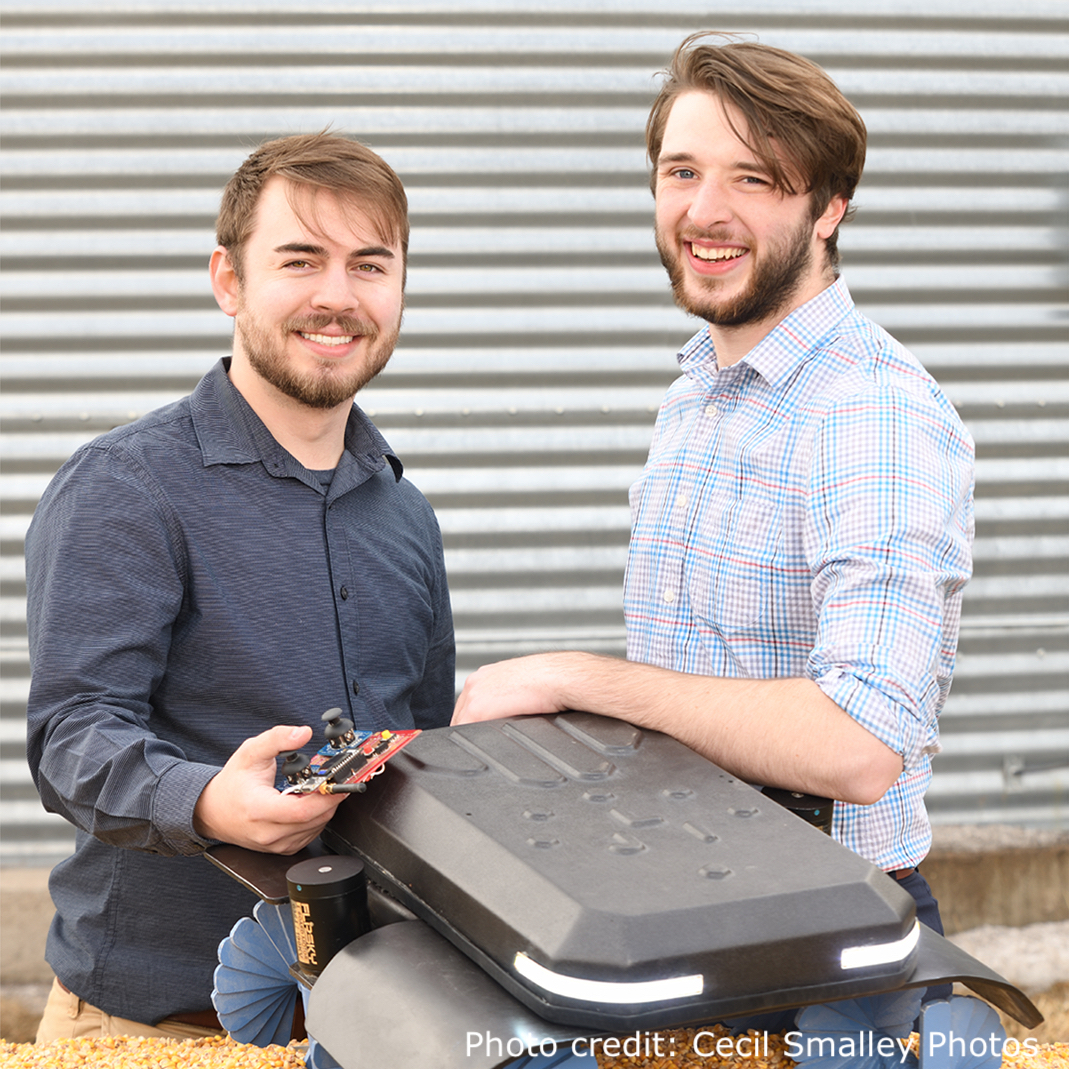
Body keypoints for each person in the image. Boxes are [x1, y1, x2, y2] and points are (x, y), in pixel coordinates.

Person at [454, 34, 973, 941]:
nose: (704, 210)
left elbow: (855, 746)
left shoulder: (871, 416)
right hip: (684, 888)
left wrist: (574, 678)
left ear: (828, 209)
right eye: (681, 171)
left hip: (822, 920)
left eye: (753, 180)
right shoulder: (701, 384)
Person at [25, 132, 455, 1041]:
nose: (336, 296)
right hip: (156, 1030)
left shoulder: (405, 516)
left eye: (369, 265)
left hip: (366, 1026)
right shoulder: (126, 487)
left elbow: (423, 747)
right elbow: (73, 737)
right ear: (228, 279)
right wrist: (211, 800)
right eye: (300, 260)